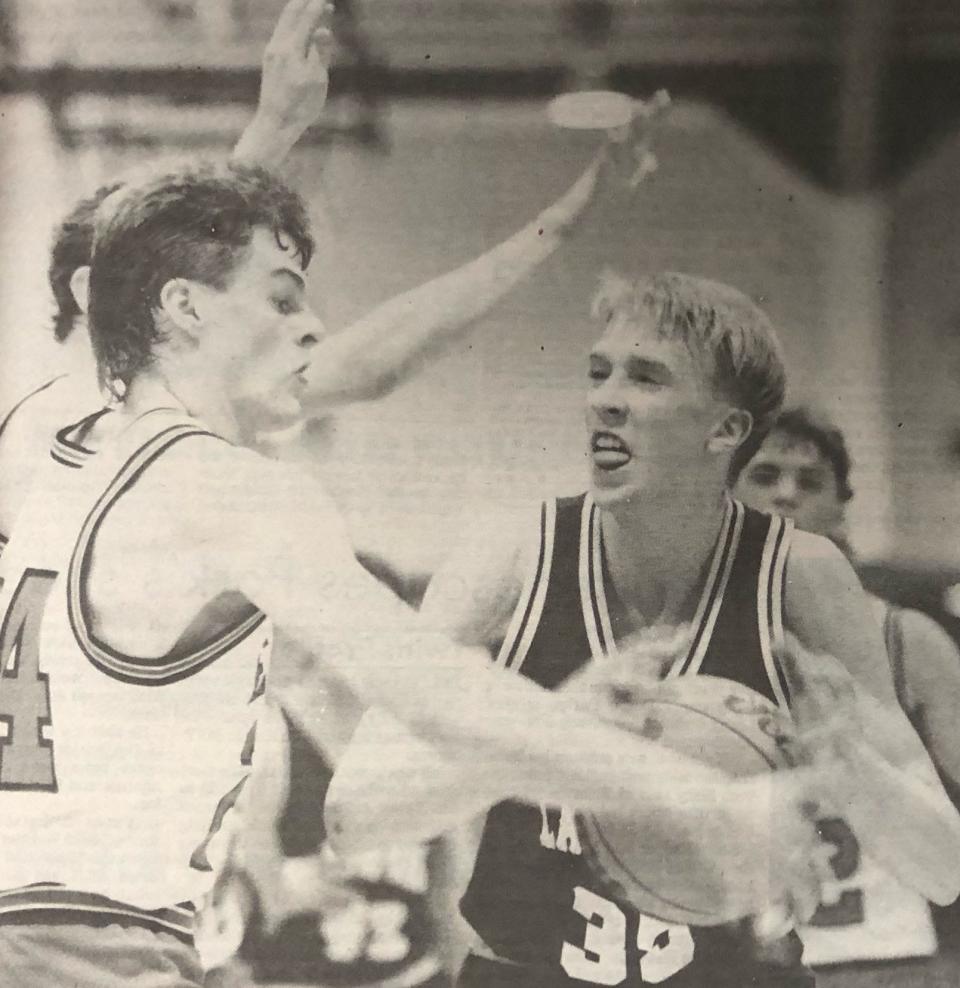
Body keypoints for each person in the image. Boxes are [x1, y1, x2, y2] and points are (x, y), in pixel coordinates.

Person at [0, 162, 839, 988]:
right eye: (283, 297)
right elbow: (435, 691)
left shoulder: (47, 448)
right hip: (85, 951)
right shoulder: (226, 487)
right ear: (182, 308)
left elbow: (148, 274)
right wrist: (707, 799)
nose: (315, 327)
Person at [326, 270, 960, 988]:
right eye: (600, 374)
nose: (605, 399)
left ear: (725, 430)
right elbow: (355, 815)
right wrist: (547, 731)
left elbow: (942, 871)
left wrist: (853, 772)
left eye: (647, 378)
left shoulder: (800, 574)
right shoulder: (510, 553)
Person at [731, 405, 960, 966]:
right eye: (764, 476)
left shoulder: (906, 640)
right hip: (740, 963)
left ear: (840, 507)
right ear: (725, 492)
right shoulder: (677, 638)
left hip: (885, 959)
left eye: (810, 482)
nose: (786, 495)